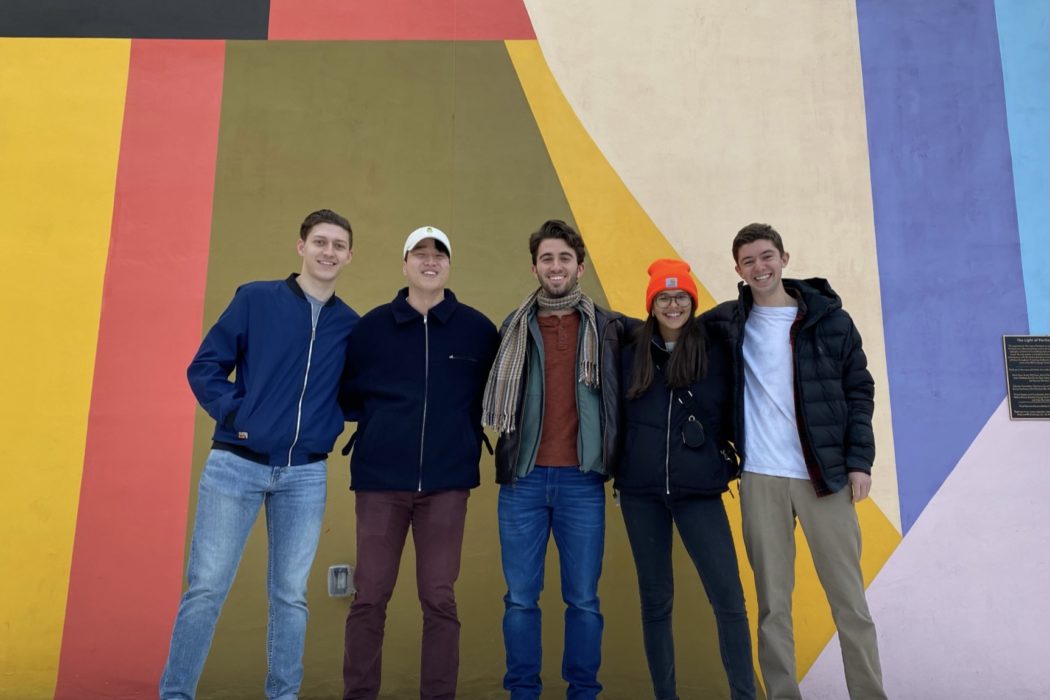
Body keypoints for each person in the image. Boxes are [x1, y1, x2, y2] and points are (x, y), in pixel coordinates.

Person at [160, 209, 359, 700]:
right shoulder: (256, 299)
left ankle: (282, 695)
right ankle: (175, 694)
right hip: (236, 466)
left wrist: (325, 427)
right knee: (205, 590)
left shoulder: (351, 325)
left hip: (305, 474)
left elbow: (354, 393)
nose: (328, 252)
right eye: (320, 242)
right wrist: (238, 416)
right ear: (301, 246)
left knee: (291, 597)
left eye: (338, 245)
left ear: (349, 256)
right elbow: (205, 366)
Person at [703, 223, 886, 700]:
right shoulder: (726, 324)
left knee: (850, 602)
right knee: (773, 607)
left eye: (766, 257)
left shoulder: (832, 321)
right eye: (748, 262)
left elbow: (859, 390)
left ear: (784, 257)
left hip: (823, 477)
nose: (759, 268)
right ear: (738, 269)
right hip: (761, 477)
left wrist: (859, 461)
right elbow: (670, 322)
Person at [340, 226, 499, 700]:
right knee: (369, 597)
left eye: (439, 255)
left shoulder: (476, 329)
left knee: (439, 599)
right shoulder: (370, 328)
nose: (430, 262)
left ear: (449, 265)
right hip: (379, 483)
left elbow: (489, 397)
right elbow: (348, 393)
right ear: (405, 262)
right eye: (420, 253)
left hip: (447, 486)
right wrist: (385, 430)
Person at [482, 219, 623, 700]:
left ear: (579, 266)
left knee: (583, 601)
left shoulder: (607, 329)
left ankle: (583, 693)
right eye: (547, 258)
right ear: (535, 266)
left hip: (582, 483)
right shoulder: (513, 327)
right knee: (520, 600)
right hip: (521, 482)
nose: (556, 265)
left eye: (565, 257)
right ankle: (523, 692)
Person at [616, 259, 756, 700]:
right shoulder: (630, 352)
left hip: (699, 492)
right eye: (664, 297)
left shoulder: (715, 349)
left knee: (729, 602)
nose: (672, 304)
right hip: (641, 493)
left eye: (680, 297)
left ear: (692, 302)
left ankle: (744, 694)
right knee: (656, 603)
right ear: (652, 303)